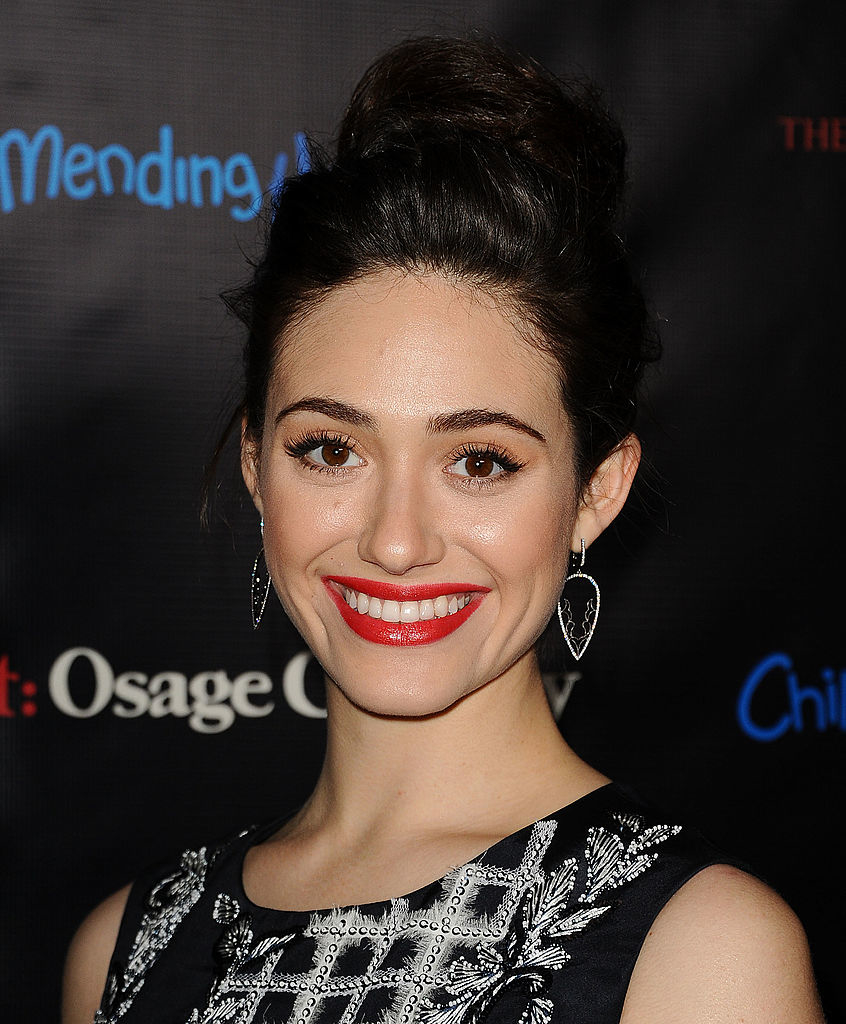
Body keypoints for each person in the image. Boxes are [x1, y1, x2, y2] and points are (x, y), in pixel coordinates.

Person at [62, 36, 824, 1024]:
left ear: (598, 488)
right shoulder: (128, 946)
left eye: (480, 461)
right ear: (258, 467)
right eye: (332, 448)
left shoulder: (698, 954)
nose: (396, 538)